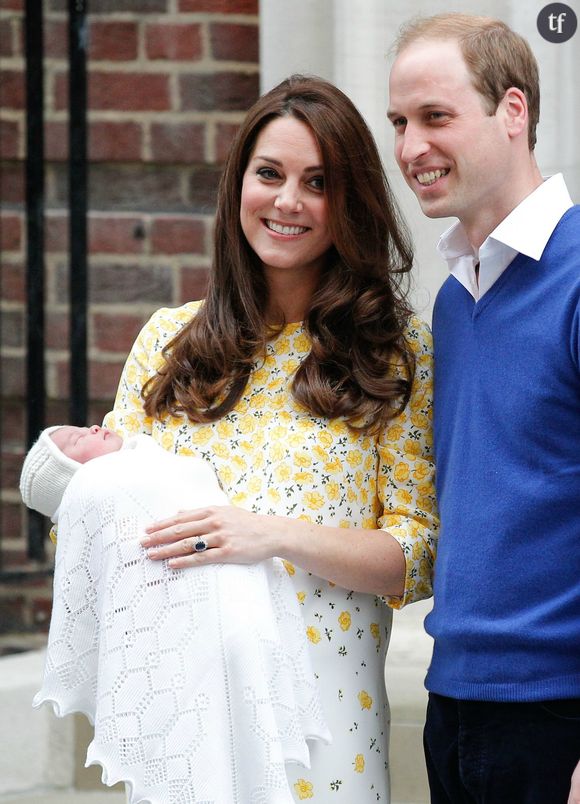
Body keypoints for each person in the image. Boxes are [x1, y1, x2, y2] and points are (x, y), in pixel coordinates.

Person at [103, 74, 438, 802]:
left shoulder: (395, 353)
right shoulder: (168, 342)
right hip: (185, 725)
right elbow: (102, 537)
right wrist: (79, 478)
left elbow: (417, 554)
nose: (288, 201)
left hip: (326, 735)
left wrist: (273, 536)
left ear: (349, 204)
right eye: (270, 174)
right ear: (239, 186)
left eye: (318, 182)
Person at [388, 13, 580, 804]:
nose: (409, 148)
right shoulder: (455, 297)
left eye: (436, 117)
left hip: (557, 719)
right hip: (457, 706)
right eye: (400, 122)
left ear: (513, 112)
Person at [20, 424, 331, 803]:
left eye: (79, 426)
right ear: (68, 477)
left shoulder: (152, 460)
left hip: (244, 610)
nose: (92, 427)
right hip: (188, 636)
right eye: (72, 441)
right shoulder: (101, 485)